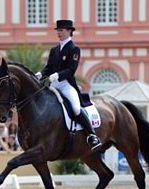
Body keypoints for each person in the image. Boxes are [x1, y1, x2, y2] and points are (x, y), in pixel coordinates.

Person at [35, 19, 101, 150]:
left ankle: (92, 135)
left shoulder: (74, 49)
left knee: (76, 108)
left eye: (61, 30)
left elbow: (72, 69)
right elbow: (49, 67)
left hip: (66, 84)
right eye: (58, 30)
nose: (59, 33)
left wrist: (58, 75)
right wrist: (41, 74)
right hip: (54, 85)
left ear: (69, 31)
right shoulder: (54, 50)